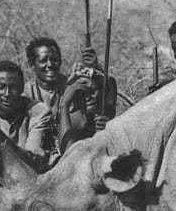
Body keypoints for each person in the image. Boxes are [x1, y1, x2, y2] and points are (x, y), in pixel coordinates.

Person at [23, 37, 115, 165]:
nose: (50, 65)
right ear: (32, 65)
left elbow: (102, 94)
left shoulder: (72, 84)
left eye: (54, 60)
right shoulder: (25, 93)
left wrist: (94, 66)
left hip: (68, 155)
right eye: (43, 61)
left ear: (60, 61)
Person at [0, 60, 51, 179]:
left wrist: (5, 143)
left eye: (13, 87)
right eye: (1, 87)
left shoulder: (38, 112)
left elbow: (36, 161)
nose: (7, 93)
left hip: (28, 185)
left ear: (22, 88)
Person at [58, 63, 117, 153]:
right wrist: (64, 105)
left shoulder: (108, 122)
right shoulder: (71, 122)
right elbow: (69, 154)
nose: (88, 96)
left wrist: (105, 134)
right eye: (81, 92)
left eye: (92, 90)